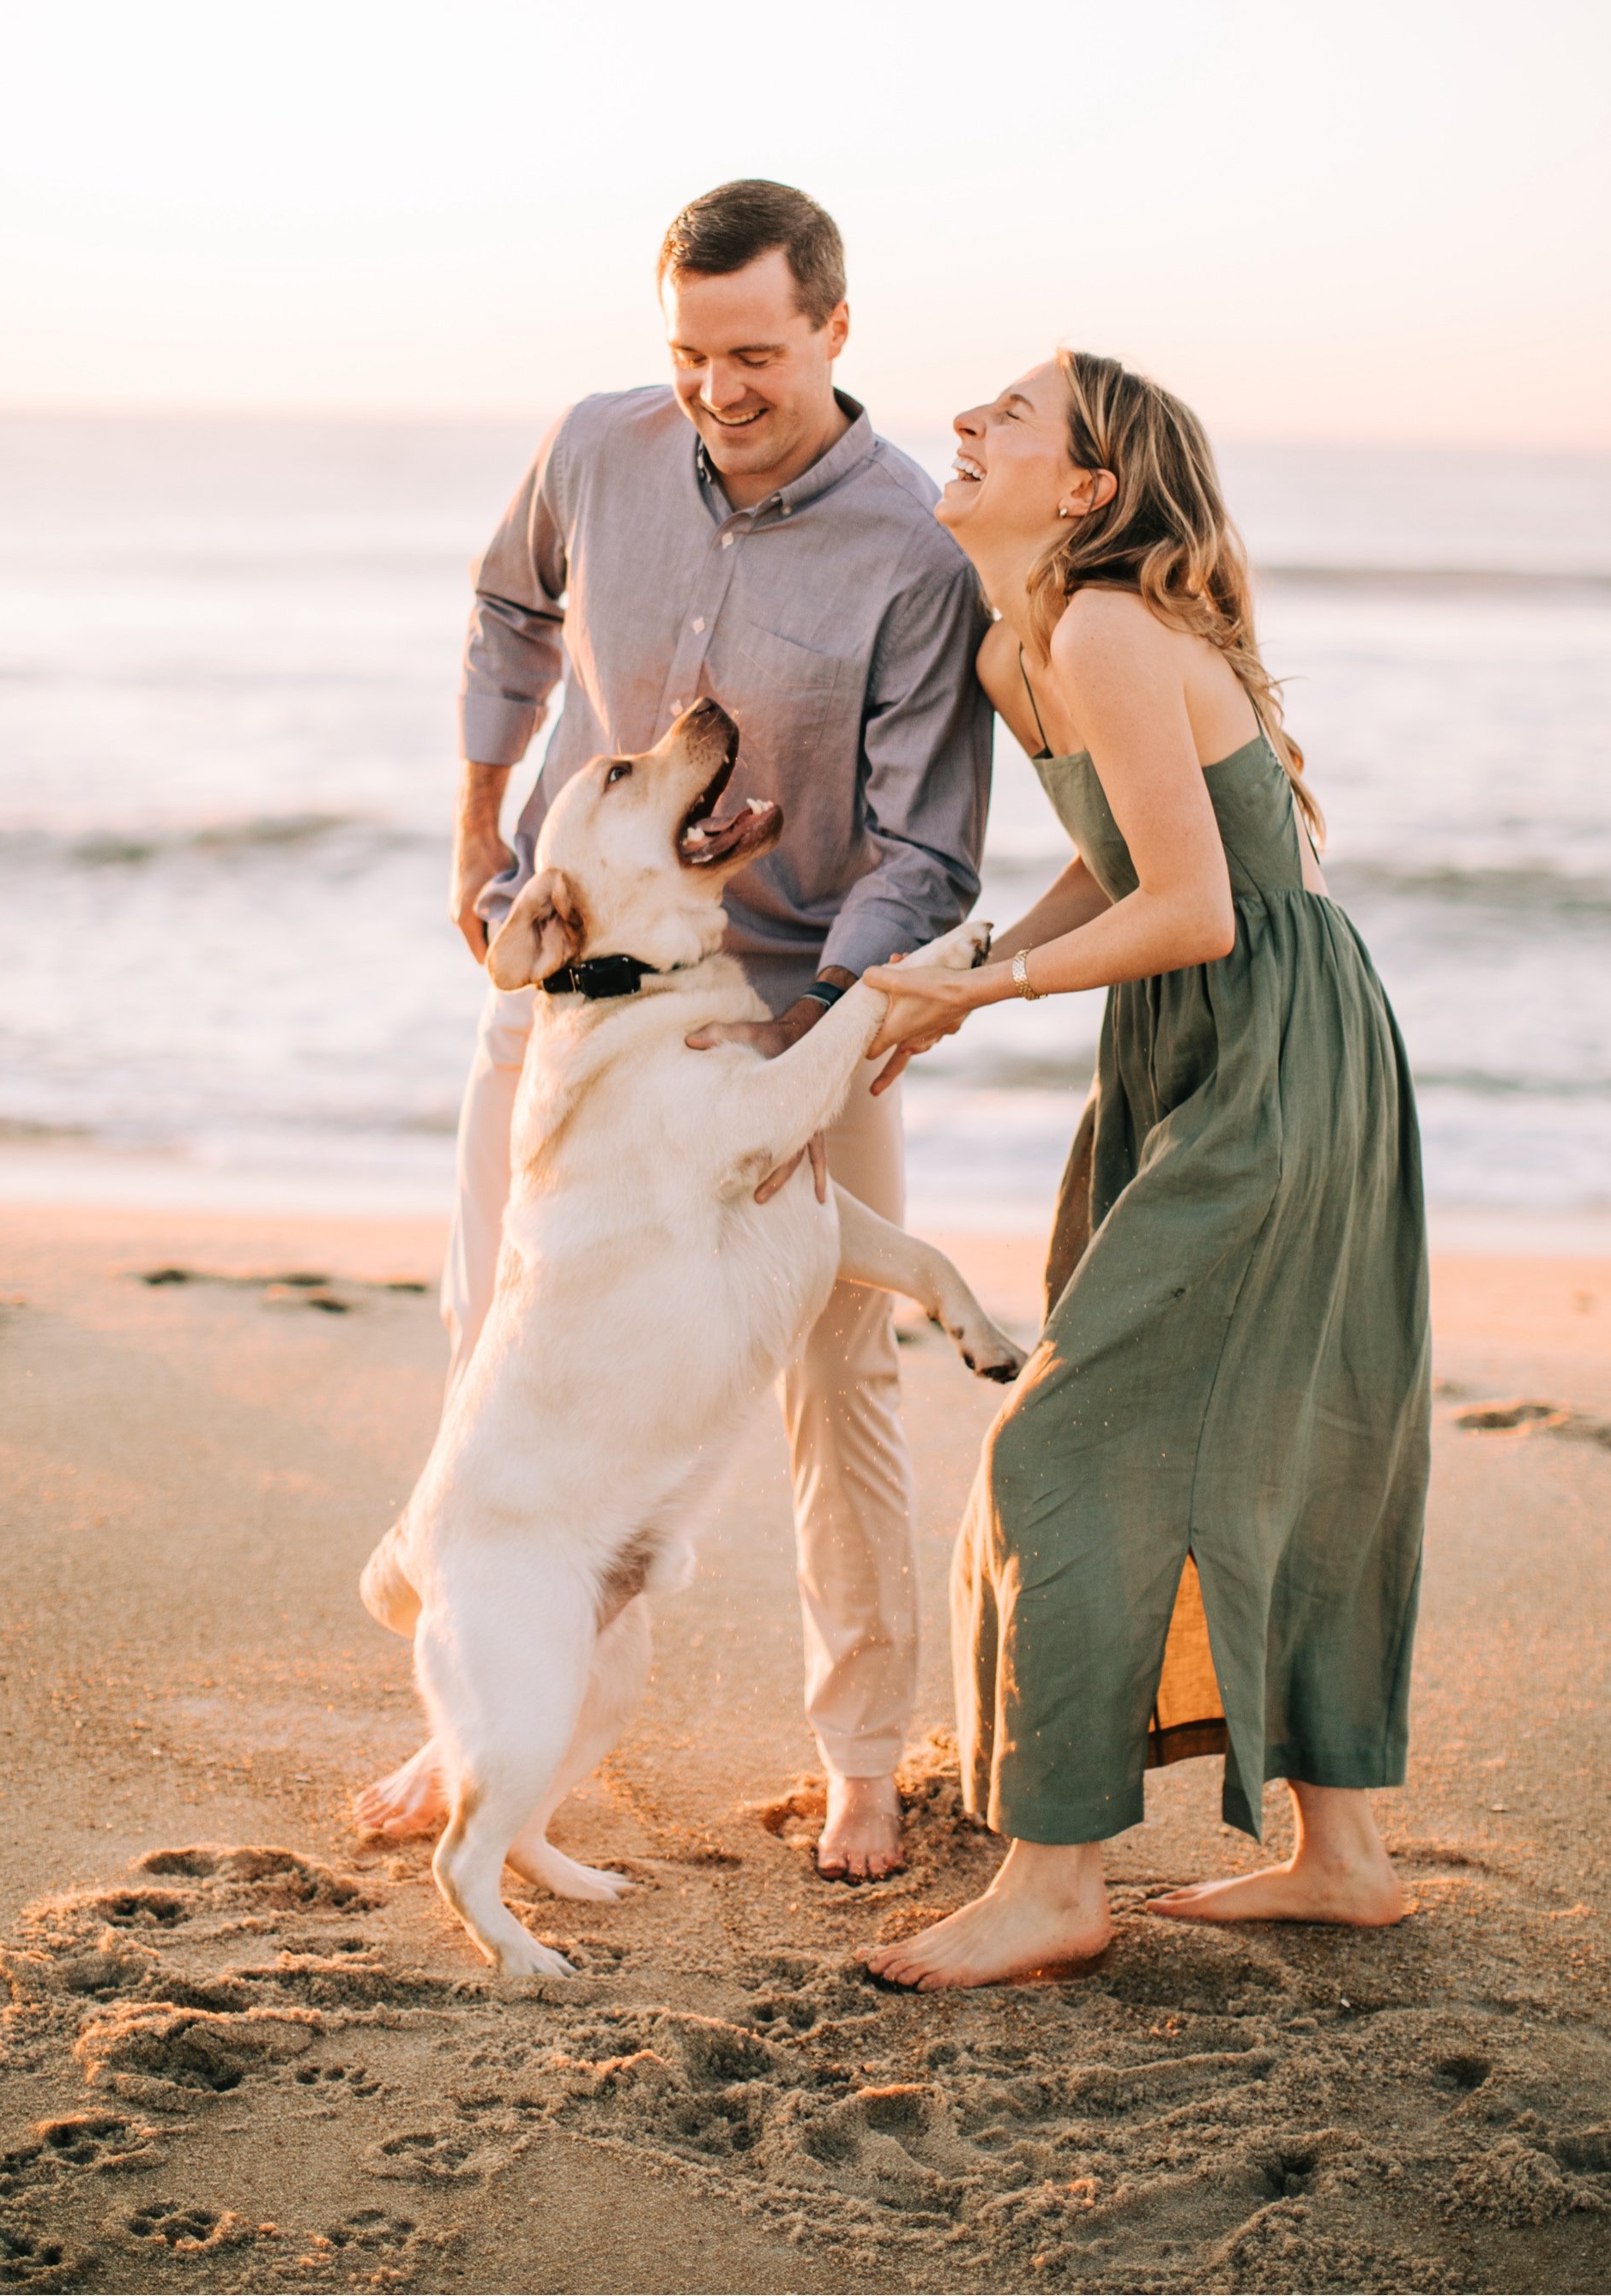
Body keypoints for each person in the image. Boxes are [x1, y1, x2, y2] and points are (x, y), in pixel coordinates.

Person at [353, 180, 993, 1882]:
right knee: (510, 1336)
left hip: (796, 1001)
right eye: (694, 353)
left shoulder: (917, 550)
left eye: (760, 355)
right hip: (587, 1003)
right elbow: (508, 613)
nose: (720, 389)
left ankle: (861, 1762)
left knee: (839, 1373)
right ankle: (509, 1738)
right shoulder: (596, 448)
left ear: (838, 332)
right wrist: (480, 831)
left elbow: (926, 841)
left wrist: (827, 1044)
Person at [855, 351, 1430, 1988]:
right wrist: (967, 976)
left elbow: (1199, 909)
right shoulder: (1017, 645)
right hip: (1210, 1048)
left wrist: (988, 987)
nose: (963, 423)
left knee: (1068, 1441)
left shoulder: (1104, 625)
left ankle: (1055, 1886)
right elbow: (1116, 853)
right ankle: (1347, 1861)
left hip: (1267, 1050)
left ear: (1089, 492)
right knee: (1267, 1432)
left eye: (1010, 417)